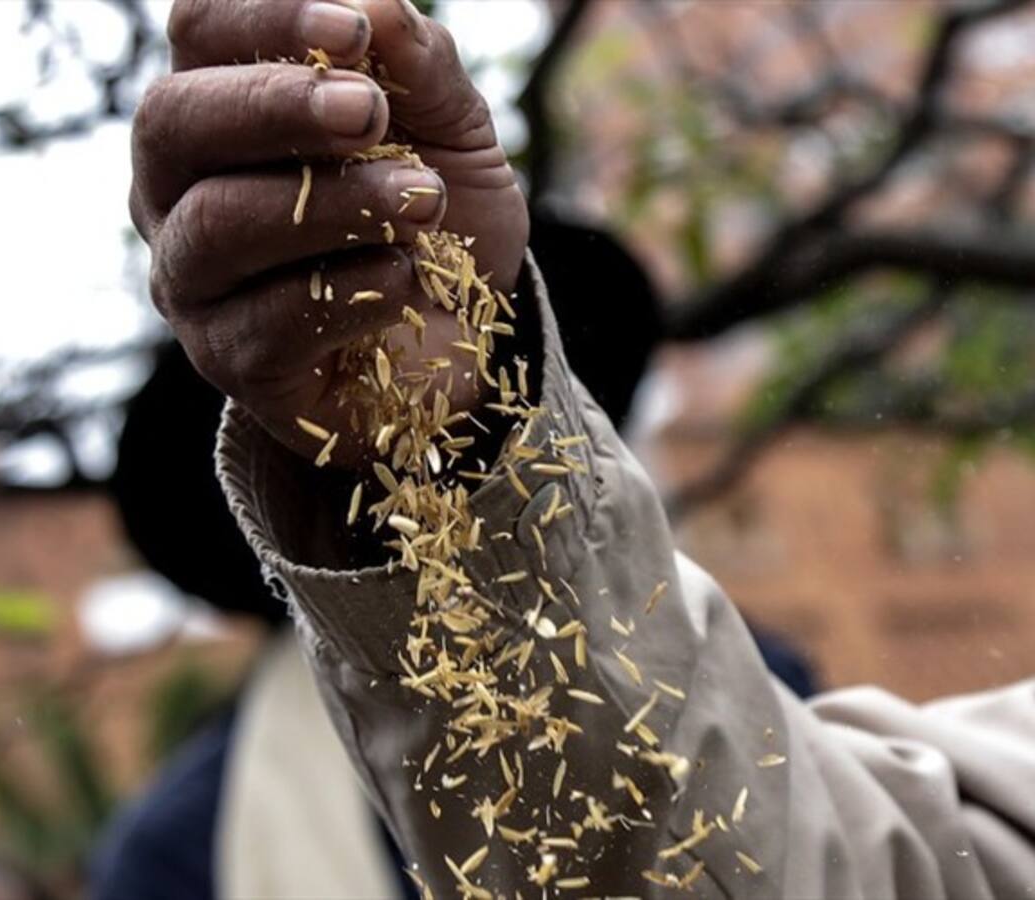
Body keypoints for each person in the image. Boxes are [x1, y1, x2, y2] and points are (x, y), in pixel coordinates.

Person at [121, 0, 1035, 897]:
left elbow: (730, 825)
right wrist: (424, 443)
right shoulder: (186, 839)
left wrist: (465, 432)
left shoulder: (754, 673)